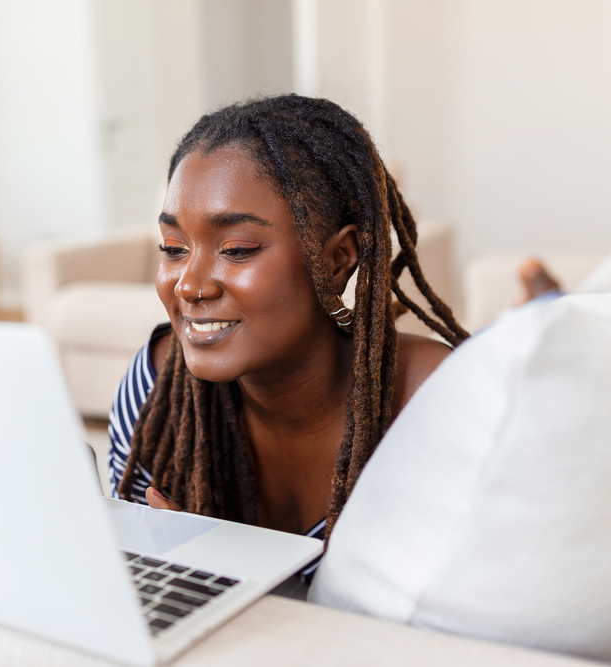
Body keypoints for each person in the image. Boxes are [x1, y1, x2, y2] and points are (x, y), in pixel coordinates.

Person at [107, 96, 470, 578]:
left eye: (236, 250)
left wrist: (229, 582)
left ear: (339, 258)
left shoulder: (430, 403)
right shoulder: (156, 391)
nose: (189, 285)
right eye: (173, 248)